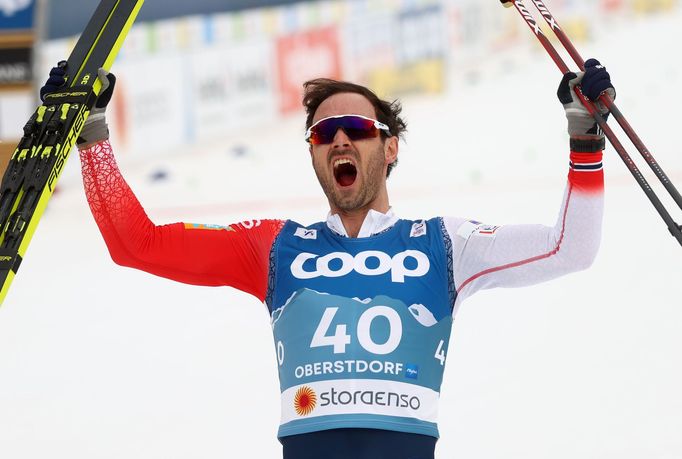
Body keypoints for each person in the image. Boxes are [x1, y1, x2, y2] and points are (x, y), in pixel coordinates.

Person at [42, 58, 614, 459]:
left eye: (357, 129)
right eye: (323, 134)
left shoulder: (445, 242)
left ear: (389, 148)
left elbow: (571, 247)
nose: (339, 140)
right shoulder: (272, 246)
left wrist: (584, 135)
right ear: (315, 155)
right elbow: (135, 243)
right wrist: (93, 136)